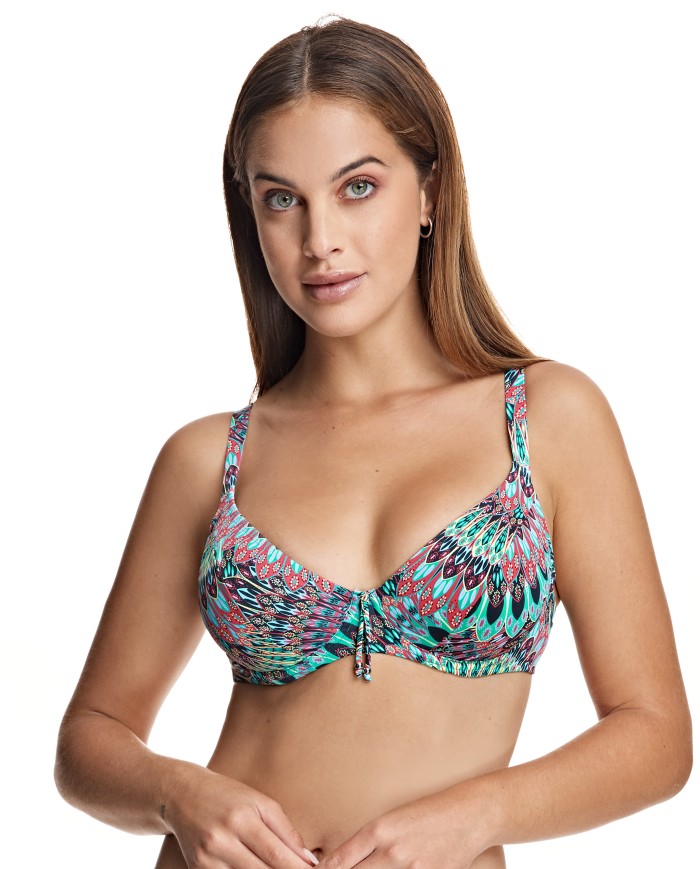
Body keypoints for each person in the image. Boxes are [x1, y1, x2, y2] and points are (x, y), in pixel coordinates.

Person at [54, 16, 692, 869]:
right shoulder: (210, 459)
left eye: (357, 186)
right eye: (282, 199)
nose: (320, 240)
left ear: (429, 193)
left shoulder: (546, 418)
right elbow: (88, 739)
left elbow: (656, 736)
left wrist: (474, 815)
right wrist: (181, 793)